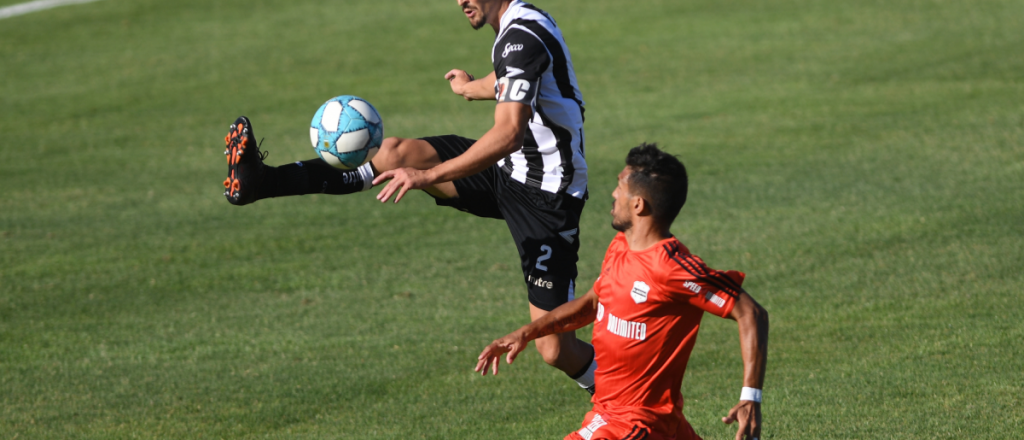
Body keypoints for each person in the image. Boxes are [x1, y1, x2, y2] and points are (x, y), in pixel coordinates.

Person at [220, 0, 598, 393]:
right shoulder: (514, 29)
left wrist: (429, 175)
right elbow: (510, 79)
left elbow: (508, 134)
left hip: (547, 196)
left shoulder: (521, 36)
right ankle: (262, 182)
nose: (460, 1)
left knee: (555, 349)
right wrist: (470, 88)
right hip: (507, 169)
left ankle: (631, 398)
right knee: (395, 155)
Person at [475, 144, 770, 440]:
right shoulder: (620, 246)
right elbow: (591, 305)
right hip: (615, 413)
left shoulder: (672, 268)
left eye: (620, 187)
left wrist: (751, 397)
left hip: (637, 423)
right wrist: (527, 332)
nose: (614, 194)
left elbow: (751, 312)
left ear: (638, 205)